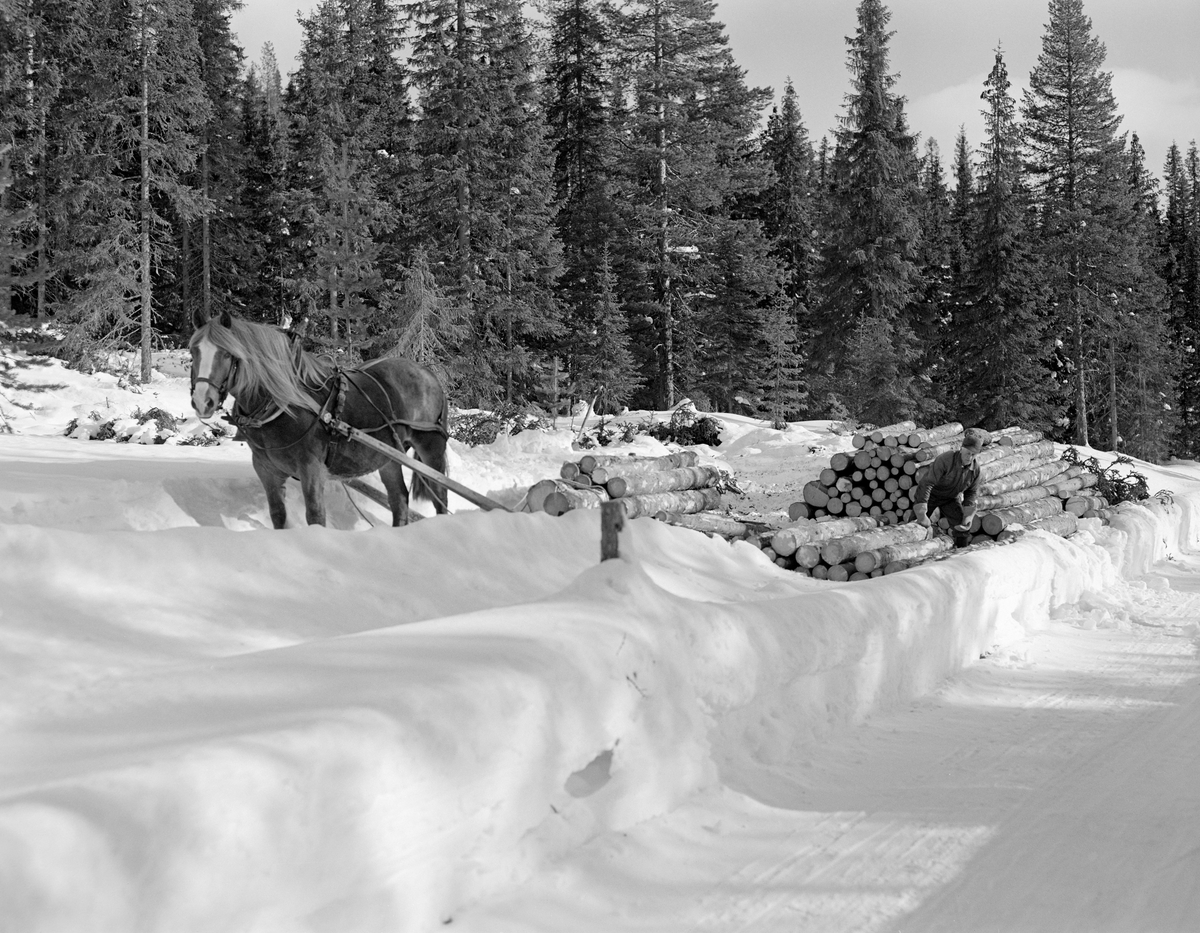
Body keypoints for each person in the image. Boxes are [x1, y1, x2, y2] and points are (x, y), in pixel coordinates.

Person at [911, 427, 990, 547]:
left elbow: (971, 493)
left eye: (973, 455)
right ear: (962, 448)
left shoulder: (975, 470)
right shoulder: (946, 460)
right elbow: (927, 483)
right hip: (932, 494)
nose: (969, 457)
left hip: (951, 499)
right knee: (915, 526)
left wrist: (968, 516)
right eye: (968, 453)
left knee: (962, 528)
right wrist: (921, 512)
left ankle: (960, 555)